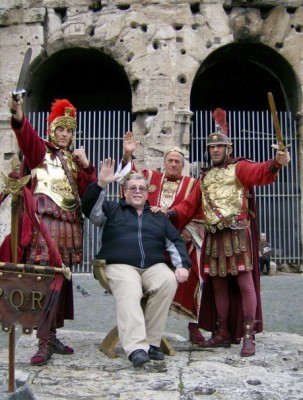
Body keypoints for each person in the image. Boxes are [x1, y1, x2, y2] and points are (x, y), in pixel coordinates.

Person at [166, 108, 290, 357]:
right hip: (214, 236)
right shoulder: (205, 177)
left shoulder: (240, 168)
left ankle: (248, 335)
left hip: (237, 234)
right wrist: (169, 214)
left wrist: (276, 163)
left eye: (219, 147)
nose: (215, 150)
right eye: (212, 147)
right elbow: (189, 205)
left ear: (228, 149)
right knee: (219, 286)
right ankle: (221, 333)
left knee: (245, 285)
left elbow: (260, 173)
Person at [6, 94, 96, 366]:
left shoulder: (71, 161)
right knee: (45, 283)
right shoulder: (40, 152)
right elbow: (26, 136)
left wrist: (87, 166)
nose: (65, 134)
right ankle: (43, 340)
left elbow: (86, 192)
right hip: (45, 226)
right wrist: (19, 113)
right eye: (61, 129)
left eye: (69, 130)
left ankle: (52, 334)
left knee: (62, 283)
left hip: (69, 226)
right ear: (51, 130)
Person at [82, 160, 191, 368]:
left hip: (152, 266)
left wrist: (182, 265)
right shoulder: (111, 209)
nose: (138, 191)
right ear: (125, 192)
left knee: (168, 281)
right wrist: (101, 185)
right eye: (133, 188)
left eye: (142, 188)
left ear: (147, 192)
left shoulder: (158, 217)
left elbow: (175, 241)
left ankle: (151, 343)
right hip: (119, 265)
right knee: (130, 288)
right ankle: (136, 349)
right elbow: (89, 209)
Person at [116, 131, 206, 345]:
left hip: (180, 242)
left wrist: (186, 234)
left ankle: (194, 325)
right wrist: (128, 156)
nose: (174, 164)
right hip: (149, 242)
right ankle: (138, 325)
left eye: (178, 162)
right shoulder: (150, 177)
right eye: (170, 161)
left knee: (193, 270)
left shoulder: (192, 184)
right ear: (164, 163)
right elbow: (130, 180)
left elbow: (199, 213)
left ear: (182, 165)